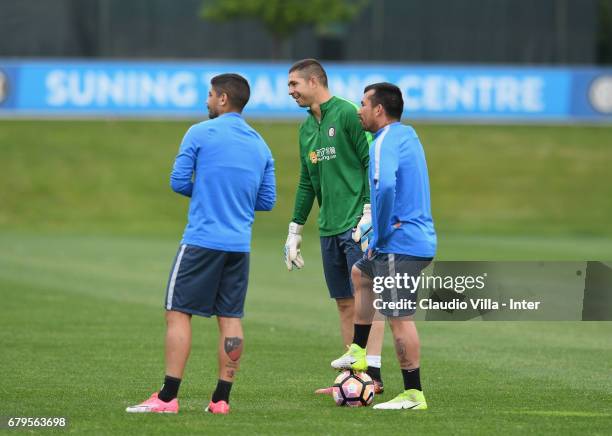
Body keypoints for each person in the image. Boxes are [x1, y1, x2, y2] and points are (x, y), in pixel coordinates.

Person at [126, 73, 276, 415]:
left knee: (177, 313)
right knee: (231, 318)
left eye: (210, 94)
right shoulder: (260, 143)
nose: (206, 100)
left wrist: (210, 193)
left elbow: (179, 181)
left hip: (202, 241)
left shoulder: (199, 132)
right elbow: (266, 200)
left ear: (223, 99)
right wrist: (232, 198)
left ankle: (166, 398)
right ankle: (221, 399)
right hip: (239, 246)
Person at [331, 82, 436, 410]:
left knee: (399, 317)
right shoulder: (407, 135)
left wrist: (382, 229)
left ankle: (413, 393)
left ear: (379, 110)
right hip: (410, 238)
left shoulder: (383, 142)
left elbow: (387, 184)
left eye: (363, 104)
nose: (358, 110)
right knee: (361, 274)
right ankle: (358, 351)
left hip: (399, 242)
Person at [284, 59, 385, 393]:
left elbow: (373, 161)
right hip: (328, 227)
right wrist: (295, 229)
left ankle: (374, 376)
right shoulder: (305, 129)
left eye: (295, 84)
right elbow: (306, 183)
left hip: (356, 222)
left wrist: (370, 211)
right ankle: (352, 377)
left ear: (315, 81)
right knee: (344, 303)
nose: (290, 92)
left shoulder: (347, 114)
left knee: (367, 299)